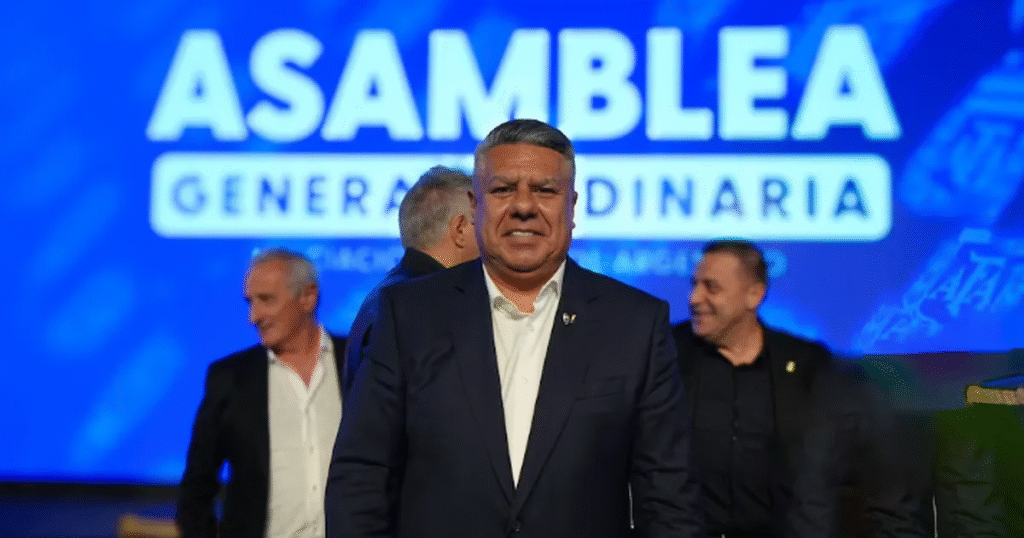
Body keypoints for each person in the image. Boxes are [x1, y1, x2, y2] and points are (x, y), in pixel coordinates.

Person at [326, 118, 704, 538]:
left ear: (572, 207)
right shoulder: (409, 315)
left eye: (544, 190)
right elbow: (361, 479)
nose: (524, 206)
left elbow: (669, 501)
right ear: (475, 205)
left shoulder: (635, 324)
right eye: (503, 189)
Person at [674, 240, 924, 538]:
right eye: (694, 285)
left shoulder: (810, 368)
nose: (694, 298)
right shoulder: (666, 356)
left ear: (754, 295)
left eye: (711, 288)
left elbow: (858, 470)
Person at [176, 249, 346, 538]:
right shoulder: (230, 379)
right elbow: (196, 488)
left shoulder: (361, 362)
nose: (253, 316)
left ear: (308, 297)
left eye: (266, 300)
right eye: (250, 302)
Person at [343, 165, 479, 395]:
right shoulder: (420, 309)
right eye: (485, 222)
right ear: (460, 229)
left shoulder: (385, 298)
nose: (494, 237)